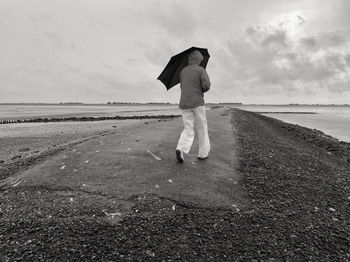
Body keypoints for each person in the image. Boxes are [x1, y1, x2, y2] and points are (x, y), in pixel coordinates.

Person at [176, 50, 211, 163]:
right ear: (198, 60)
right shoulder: (201, 70)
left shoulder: (183, 71)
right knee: (202, 128)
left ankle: (180, 148)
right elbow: (206, 86)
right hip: (197, 103)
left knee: (188, 128)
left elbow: (182, 87)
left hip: (184, 103)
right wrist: (200, 89)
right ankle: (203, 153)